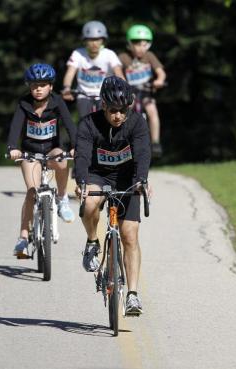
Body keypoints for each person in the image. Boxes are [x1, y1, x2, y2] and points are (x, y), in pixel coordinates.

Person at [74, 76, 151, 315]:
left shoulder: (137, 122)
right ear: (103, 106)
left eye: (123, 111)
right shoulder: (88, 124)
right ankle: (92, 242)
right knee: (88, 205)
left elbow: (142, 152)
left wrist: (142, 180)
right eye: (113, 111)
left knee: (130, 236)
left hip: (128, 178)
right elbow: (83, 157)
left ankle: (133, 295)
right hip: (98, 175)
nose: (118, 116)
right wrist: (82, 182)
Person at [7, 63, 77, 258]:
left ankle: (62, 199)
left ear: (51, 86)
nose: (38, 89)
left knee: (62, 161)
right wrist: (13, 148)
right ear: (29, 86)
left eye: (43, 85)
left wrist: (75, 145)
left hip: (52, 148)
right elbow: (15, 128)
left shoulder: (58, 102)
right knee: (31, 192)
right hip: (30, 152)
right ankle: (22, 238)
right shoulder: (24, 104)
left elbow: (70, 125)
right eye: (34, 85)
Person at [118, 24, 166, 158]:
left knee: (152, 111)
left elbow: (161, 72)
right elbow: (116, 71)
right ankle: (120, 137)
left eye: (144, 45)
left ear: (148, 46)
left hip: (146, 91)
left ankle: (155, 142)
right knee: (126, 109)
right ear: (130, 44)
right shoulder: (123, 57)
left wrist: (159, 80)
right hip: (130, 92)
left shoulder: (149, 56)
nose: (141, 48)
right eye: (137, 44)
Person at [62, 20, 125, 119]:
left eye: (97, 39)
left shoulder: (109, 54)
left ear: (103, 40)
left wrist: (123, 88)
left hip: (104, 94)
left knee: (106, 120)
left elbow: (119, 73)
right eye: (90, 39)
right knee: (84, 121)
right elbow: (70, 73)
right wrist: (67, 88)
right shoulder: (78, 54)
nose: (94, 43)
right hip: (83, 95)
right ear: (85, 41)